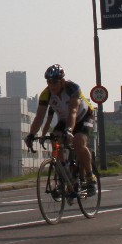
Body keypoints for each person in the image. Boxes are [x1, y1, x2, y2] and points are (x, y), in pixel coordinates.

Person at [26, 65, 96, 196]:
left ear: (62, 81)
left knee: (78, 141)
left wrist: (69, 130)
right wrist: (31, 135)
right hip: (64, 119)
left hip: (84, 116)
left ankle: (90, 176)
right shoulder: (46, 94)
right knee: (56, 141)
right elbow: (39, 117)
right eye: (49, 81)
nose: (51, 85)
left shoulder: (72, 88)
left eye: (54, 82)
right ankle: (68, 177)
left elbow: (73, 111)